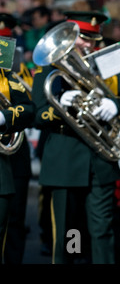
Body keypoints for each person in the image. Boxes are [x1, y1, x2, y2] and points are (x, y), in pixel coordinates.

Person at [32, 11, 120, 264]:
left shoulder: (104, 67)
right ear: (68, 37)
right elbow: (38, 116)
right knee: (66, 234)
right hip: (65, 160)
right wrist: (61, 105)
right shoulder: (49, 71)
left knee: (102, 231)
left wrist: (115, 104)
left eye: (93, 39)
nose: (89, 45)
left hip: (101, 163)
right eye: (83, 38)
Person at [0, 67, 35, 264]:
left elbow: (28, 110)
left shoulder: (6, 76)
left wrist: (4, 117)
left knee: (12, 222)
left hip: (8, 161)